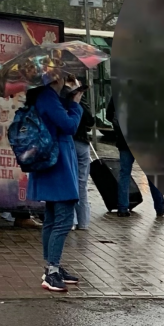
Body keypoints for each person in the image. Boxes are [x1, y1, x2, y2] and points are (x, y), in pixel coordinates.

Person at [25, 72, 83, 292]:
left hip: (52, 162)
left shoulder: (45, 97)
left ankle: (52, 266)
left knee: (51, 218)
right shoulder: (48, 97)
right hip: (58, 165)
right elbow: (69, 126)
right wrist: (76, 104)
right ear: (53, 78)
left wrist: (67, 100)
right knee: (63, 218)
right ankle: (52, 271)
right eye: (62, 76)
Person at [105, 95, 164, 218]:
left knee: (124, 174)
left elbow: (109, 115)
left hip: (125, 142)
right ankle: (159, 207)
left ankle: (123, 208)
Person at [66, 76, 94, 231]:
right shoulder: (80, 103)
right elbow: (91, 120)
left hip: (69, 143)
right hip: (82, 144)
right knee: (81, 184)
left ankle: (71, 220)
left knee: (69, 181)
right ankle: (83, 222)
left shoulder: (63, 100)